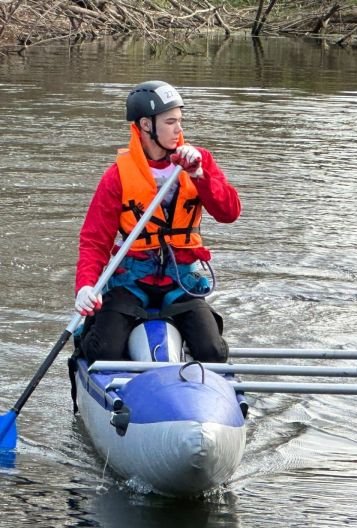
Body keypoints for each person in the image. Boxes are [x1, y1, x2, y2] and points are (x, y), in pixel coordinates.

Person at [73, 80, 241, 363]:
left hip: (181, 282)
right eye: (170, 121)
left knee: (212, 351)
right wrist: (86, 286)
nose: (179, 129)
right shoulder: (117, 176)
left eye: (180, 121)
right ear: (146, 125)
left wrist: (201, 176)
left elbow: (230, 212)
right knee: (103, 351)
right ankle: (90, 338)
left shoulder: (199, 162)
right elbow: (94, 240)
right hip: (131, 282)